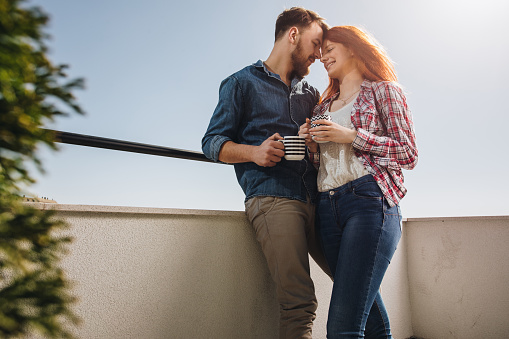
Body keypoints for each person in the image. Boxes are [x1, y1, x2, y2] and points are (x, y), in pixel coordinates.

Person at [202, 7, 332, 339]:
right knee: (300, 304)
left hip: (318, 199)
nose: (319, 55)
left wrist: (314, 145)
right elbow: (212, 142)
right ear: (293, 35)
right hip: (273, 199)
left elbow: (318, 155)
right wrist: (256, 153)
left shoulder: (311, 94)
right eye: (315, 44)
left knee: (356, 281)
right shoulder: (240, 83)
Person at [298, 26, 418, 338]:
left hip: (370, 202)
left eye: (330, 48)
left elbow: (407, 153)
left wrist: (351, 136)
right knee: (372, 323)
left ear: (352, 48)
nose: (323, 57)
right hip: (328, 209)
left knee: (342, 328)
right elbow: (323, 164)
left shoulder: (384, 91)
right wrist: (311, 144)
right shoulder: (321, 108)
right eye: (321, 51)